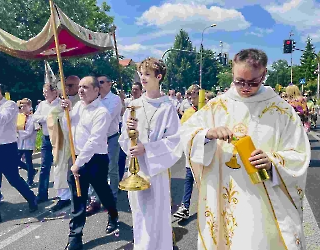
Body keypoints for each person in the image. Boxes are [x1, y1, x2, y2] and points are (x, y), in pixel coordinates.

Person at [179, 49, 310, 249]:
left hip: (265, 204)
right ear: (233, 72)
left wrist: (273, 162)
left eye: (253, 82)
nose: (245, 88)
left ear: (264, 74)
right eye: (240, 81)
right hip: (226, 202)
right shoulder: (217, 106)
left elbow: (299, 154)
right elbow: (185, 134)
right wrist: (207, 134)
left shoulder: (282, 111)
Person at [119, 57, 181, 250]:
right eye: (141, 74)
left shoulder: (167, 107)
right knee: (139, 214)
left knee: (156, 216)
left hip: (156, 170)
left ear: (159, 77)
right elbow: (123, 139)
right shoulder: (133, 105)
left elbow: (175, 141)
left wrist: (147, 148)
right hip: (136, 169)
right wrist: (129, 136)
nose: (142, 78)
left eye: (147, 74)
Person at [61, 76, 119, 250]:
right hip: (76, 156)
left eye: (85, 87)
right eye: (79, 87)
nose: (80, 90)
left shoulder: (102, 112)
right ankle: (75, 237)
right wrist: (67, 114)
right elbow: (67, 129)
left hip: (95, 160)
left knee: (103, 192)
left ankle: (113, 215)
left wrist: (78, 163)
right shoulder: (78, 106)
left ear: (96, 90)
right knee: (78, 198)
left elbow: (94, 141)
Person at [0, 80, 38, 226]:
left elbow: (2, 120)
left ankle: (31, 198)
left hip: (6, 148)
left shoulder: (9, 105)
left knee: (14, 179)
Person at [85, 74, 122, 215]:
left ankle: (111, 197)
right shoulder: (95, 100)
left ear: (109, 83)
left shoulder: (115, 99)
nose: (98, 85)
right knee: (96, 169)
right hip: (98, 139)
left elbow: (107, 118)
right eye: (97, 83)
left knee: (112, 168)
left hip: (111, 138)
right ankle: (95, 199)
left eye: (101, 82)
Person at [47, 76, 80, 212]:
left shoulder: (82, 101)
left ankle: (86, 196)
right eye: (65, 85)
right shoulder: (60, 102)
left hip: (77, 141)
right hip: (62, 141)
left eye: (71, 85)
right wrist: (59, 114)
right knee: (60, 168)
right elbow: (51, 118)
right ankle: (64, 197)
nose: (67, 88)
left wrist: (69, 111)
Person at [173, 84, 200, 220]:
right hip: (192, 151)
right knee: (189, 178)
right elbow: (182, 131)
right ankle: (185, 207)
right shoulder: (189, 112)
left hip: (207, 152)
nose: (192, 97)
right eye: (190, 94)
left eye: (194, 93)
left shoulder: (209, 109)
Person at [33, 83, 60, 203]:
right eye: (43, 92)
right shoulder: (42, 104)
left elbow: (61, 118)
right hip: (46, 138)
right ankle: (42, 194)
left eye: (46, 92)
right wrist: (48, 118)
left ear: (55, 92)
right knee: (45, 166)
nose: (44, 94)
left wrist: (47, 118)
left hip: (59, 138)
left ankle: (64, 194)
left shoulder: (61, 103)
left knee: (61, 166)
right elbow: (35, 117)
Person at [17, 98, 38, 187]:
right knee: (15, 160)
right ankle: (32, 171)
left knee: (29, 161)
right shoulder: (20, 117)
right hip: (20, 143)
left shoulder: (32, 118)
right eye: (21, 106)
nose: (23, 108)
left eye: (25, 106)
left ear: (30, 106)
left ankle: (30, 180)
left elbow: (29, 132)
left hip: (28, 142)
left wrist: (18, 131)